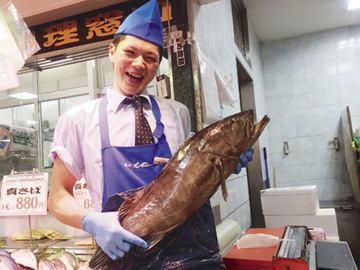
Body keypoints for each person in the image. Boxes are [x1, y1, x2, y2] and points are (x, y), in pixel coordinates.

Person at [48, 0, 253, 269]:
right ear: (112, 51)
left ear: (158, 64)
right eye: (130, 52)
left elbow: (189, 179)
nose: (139, 63)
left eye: (150, 57)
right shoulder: (78, 119)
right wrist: (90, 221)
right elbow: (57, 196)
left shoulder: (177, 112)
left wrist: (224, 164)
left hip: (193, 256)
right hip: (125, 253)